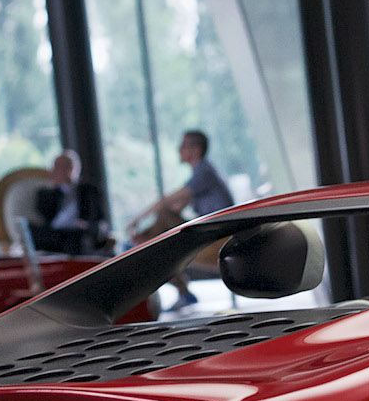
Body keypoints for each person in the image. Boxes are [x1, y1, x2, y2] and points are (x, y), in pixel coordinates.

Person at [124, 130, 234, 310]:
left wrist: (137, 220)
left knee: (154, 240)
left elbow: (167, 203)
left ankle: (140, 246)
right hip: (210, 234)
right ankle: (143, 244)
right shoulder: (201, 174)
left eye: (183, 146)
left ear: (196, 150)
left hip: (219, 238)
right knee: (156, 245)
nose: (179, 150)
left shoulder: (204, 172)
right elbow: (176, 208)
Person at [28, 150, 110, 255]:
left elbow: (100, 220)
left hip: (79, 234)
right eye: (55, 167)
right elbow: (44, 217)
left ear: (74, 169)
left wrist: (86, 225)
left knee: (78, 238)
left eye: (61, 167)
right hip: (54, 234)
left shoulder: (89, 191)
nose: (55, 171)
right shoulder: (46, 193)